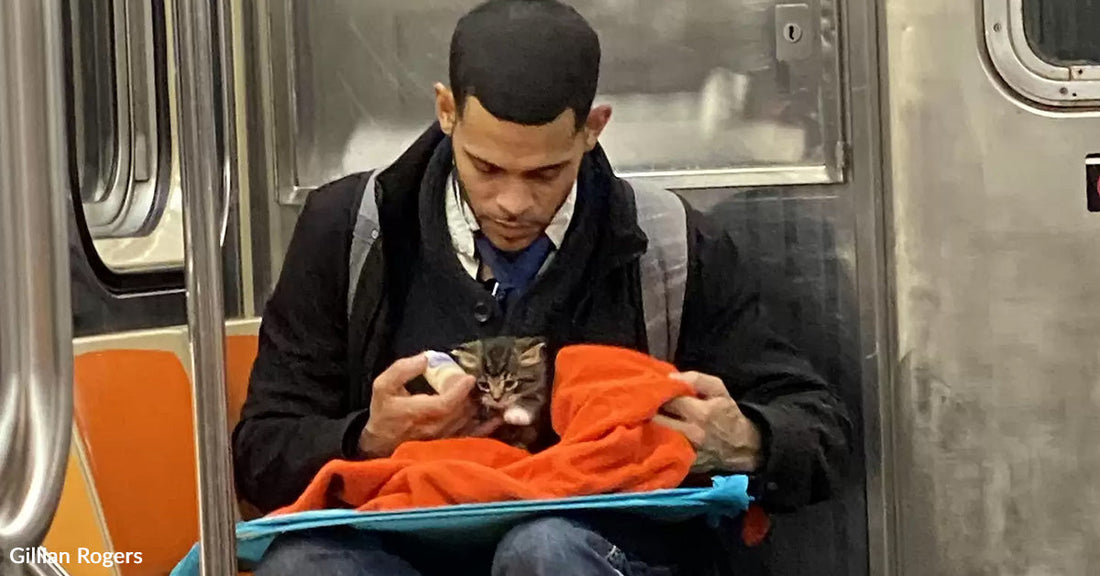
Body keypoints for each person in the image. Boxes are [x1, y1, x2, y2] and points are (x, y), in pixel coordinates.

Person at [233, 1, 851, 574]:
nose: (512, 203)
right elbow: (260, 452)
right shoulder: (350, 230)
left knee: (545, 551)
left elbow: (819, 426)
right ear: (446, 111)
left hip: (595, 548)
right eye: (487, 167)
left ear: (594, 128)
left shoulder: (671, 245)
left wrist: (744, 440)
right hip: (399, 542)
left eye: (545, 173)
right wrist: (368, 437)